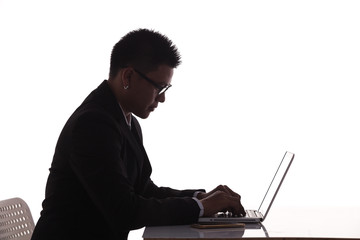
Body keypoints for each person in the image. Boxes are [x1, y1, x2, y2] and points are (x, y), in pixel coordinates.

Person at [31, 28, 246, 240]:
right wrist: (200, 207)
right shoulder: (93, 123)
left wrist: (199, 197)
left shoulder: (126, 120)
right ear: (128, 76)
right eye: (159, 87)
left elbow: (142, 190)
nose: (161, 99)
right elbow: (125, 211)